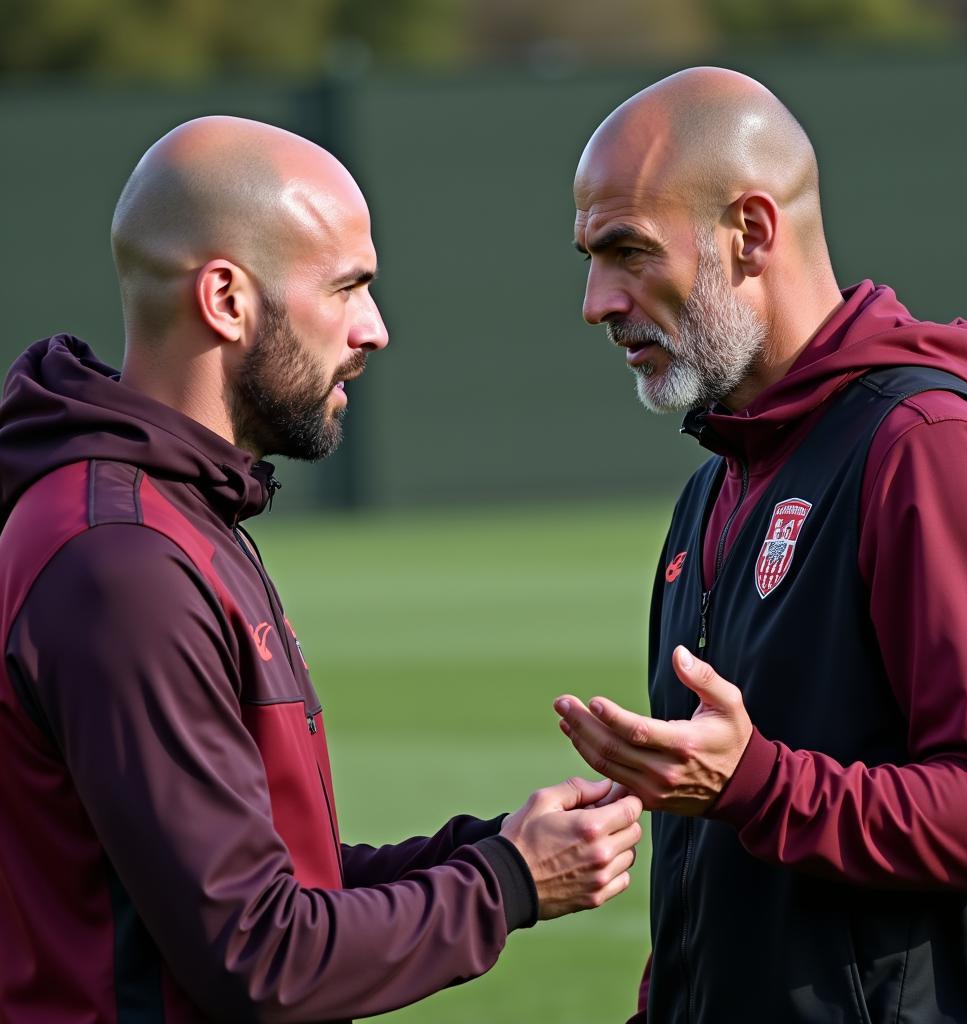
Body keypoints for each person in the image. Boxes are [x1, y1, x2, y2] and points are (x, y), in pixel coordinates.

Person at [0, 116, 643, 1023]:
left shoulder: (173, 516)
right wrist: (506, 883)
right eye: (347, 287)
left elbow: (278, 879)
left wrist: (488, 847)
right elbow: (259, 956)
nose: (374, 329)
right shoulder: (124, 562)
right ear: (226, 299)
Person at [555, 66, 967, 1023]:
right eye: (590, 259)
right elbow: (709, 865)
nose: (598, 302)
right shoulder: (713, 487)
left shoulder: (925, 449)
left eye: (628, 251)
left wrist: (756, 783)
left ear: (753, 232)